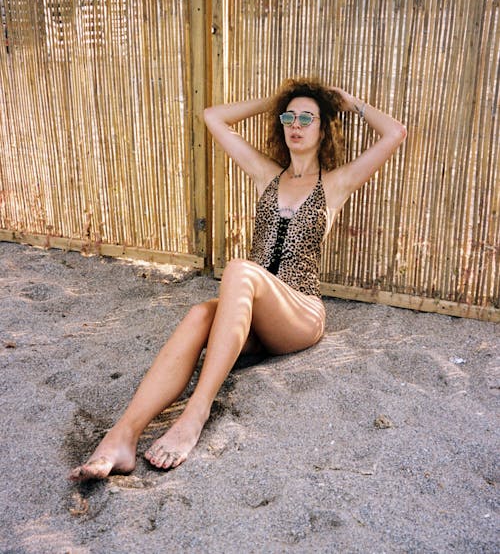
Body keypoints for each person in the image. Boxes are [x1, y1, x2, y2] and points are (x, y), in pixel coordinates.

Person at [69, 77, 406, 481]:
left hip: (299, 315)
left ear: (323, 128)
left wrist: (348, 103)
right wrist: (275, 101)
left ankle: (196, 413)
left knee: (241, 270)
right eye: (289, 117)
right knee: (197, 314)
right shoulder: (268, 176)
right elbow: (213, 117)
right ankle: (121, 438)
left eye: (306, 118)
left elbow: (394, 132)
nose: (295, 125)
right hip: (247, 318)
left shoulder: (336, 184)